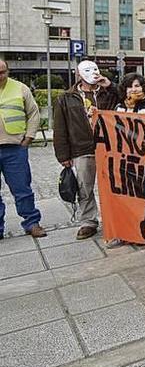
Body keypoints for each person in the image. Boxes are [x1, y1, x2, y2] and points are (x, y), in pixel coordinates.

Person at [53, 60, 113, 239]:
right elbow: (60, 127)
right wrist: (63, 154)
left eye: (95, 69)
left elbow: (122, 98)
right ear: (78, 74)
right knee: (84, 187)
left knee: (111, 186)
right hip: (82, 148)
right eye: (87, 70)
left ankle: (114, 218)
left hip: (107, 146)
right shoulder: (66, 98)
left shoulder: (106, 93)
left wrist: (109, 86)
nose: (93, 73)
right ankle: (88, 221)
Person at [0, 59, 46, 239]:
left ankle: (31, 222)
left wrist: (29, 137)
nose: (0, 76)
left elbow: (33, 113)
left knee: (22, 189)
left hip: (15, 148)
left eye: (3, 72)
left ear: (8, 71)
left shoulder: (20, 88)